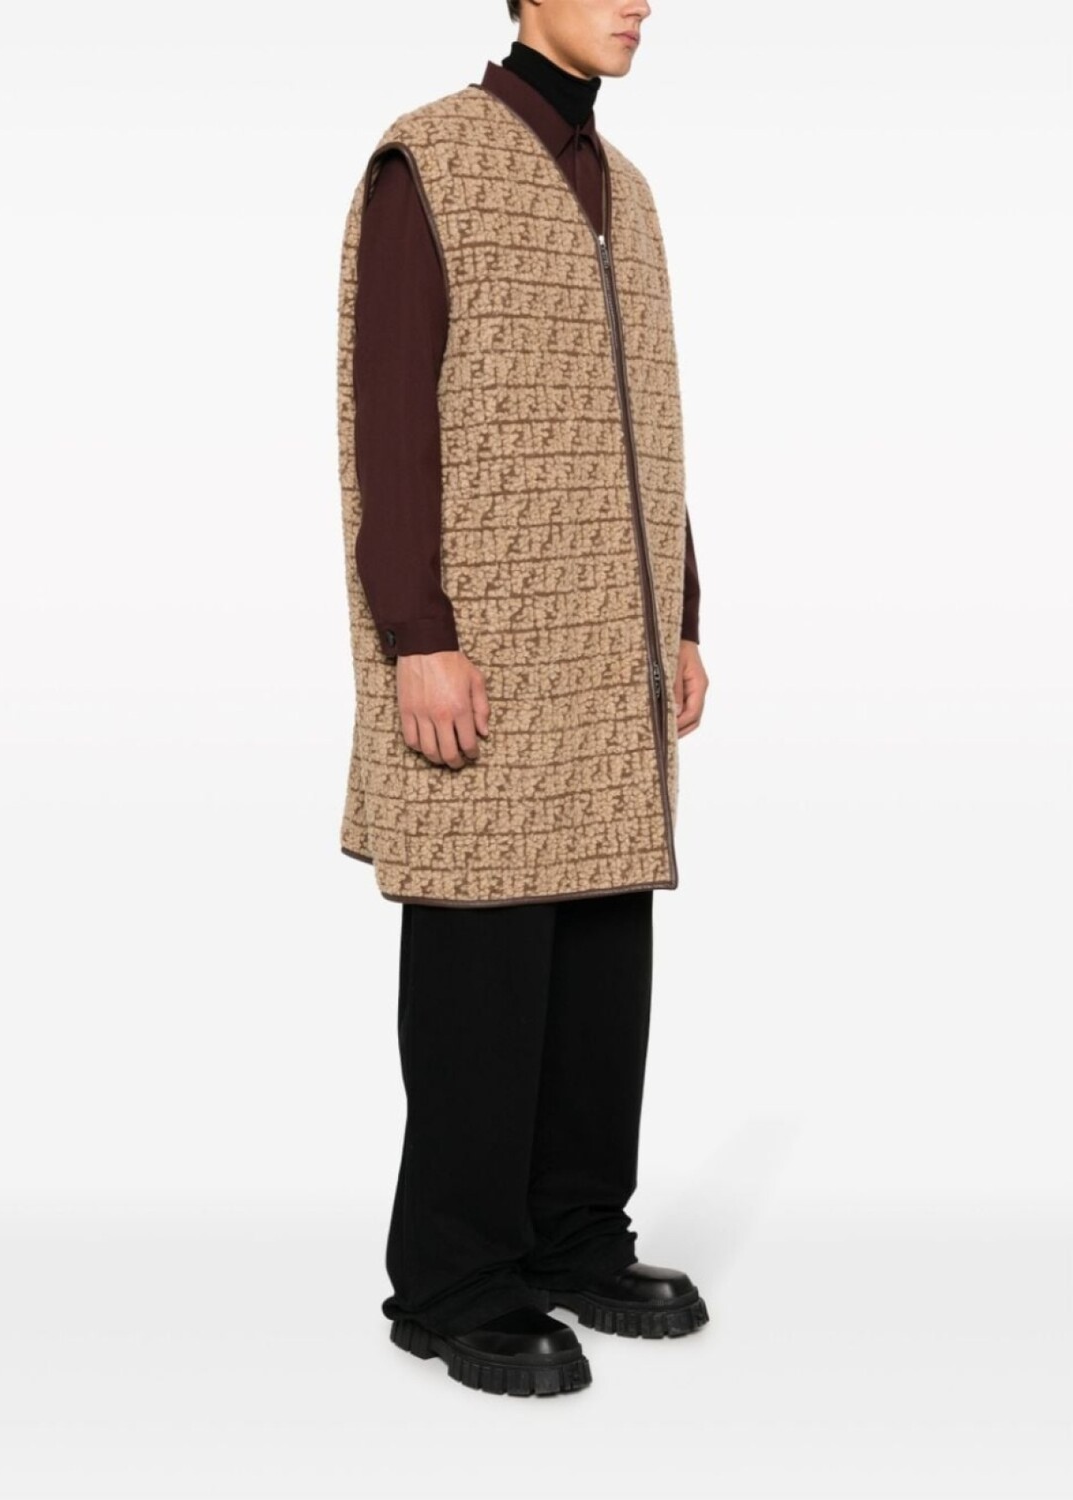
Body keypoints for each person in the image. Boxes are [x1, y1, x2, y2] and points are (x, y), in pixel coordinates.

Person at [336, 0, 710, 1397]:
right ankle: (453, 1279)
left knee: (602, 952)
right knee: (483, 956)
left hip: (612, 640)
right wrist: (415, 630)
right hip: (487, 633)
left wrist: (681, 608)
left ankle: (573, 1234)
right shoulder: (428, 159)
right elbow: (388, 412)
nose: (639, 2)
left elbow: (647, 418)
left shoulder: (629, 190)